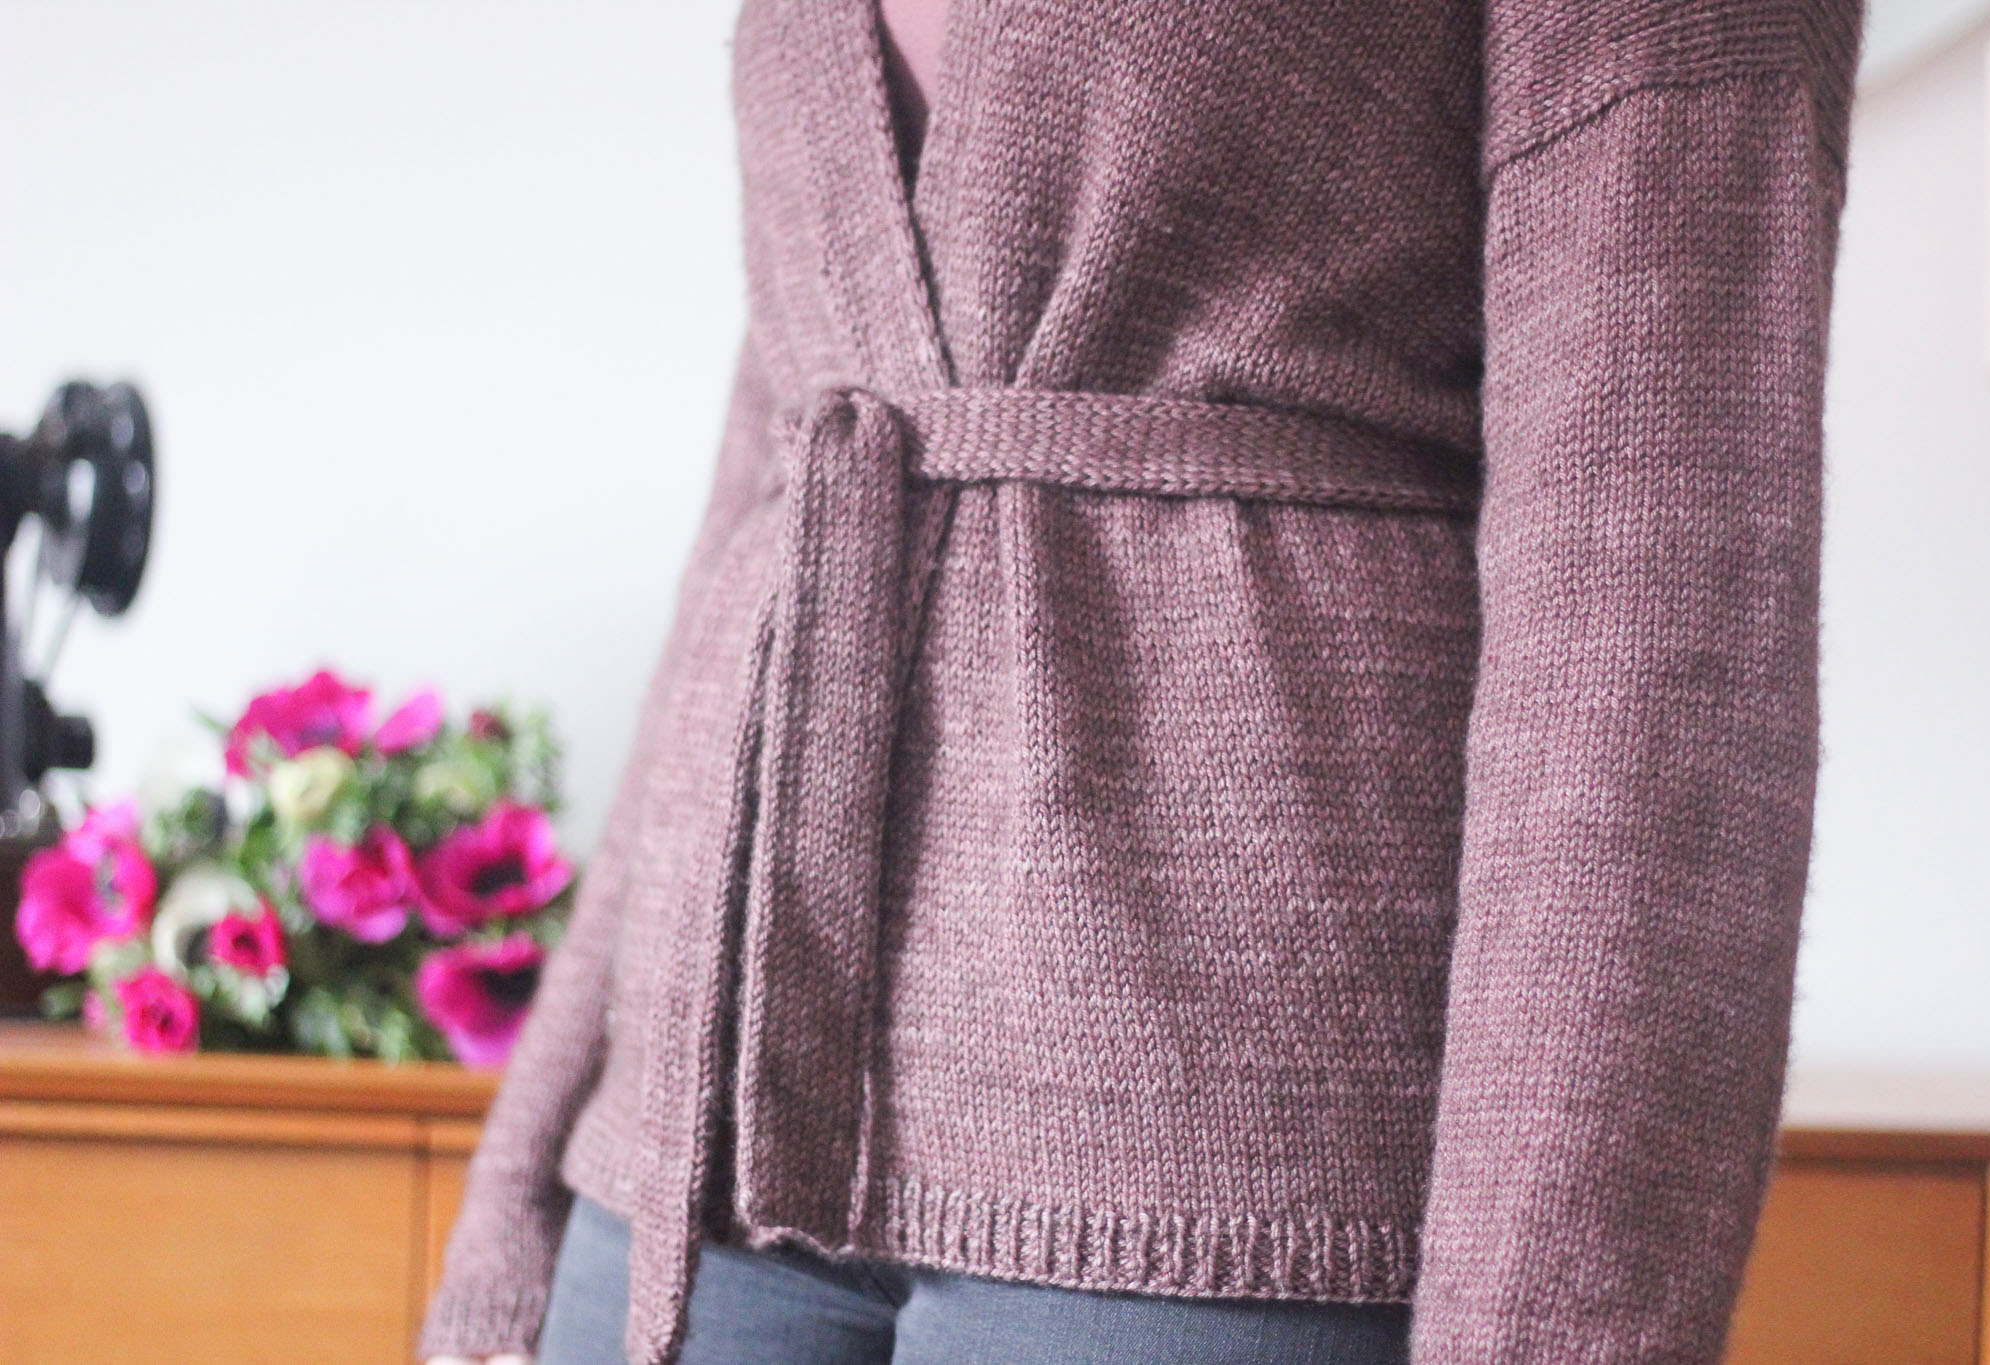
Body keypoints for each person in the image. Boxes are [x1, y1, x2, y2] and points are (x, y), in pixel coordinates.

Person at [421, 0, 1868, 1361]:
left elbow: (1655, 606)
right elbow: (769, 496)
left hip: (1215, 1140)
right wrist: (525, 1167)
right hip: (694, 1130)